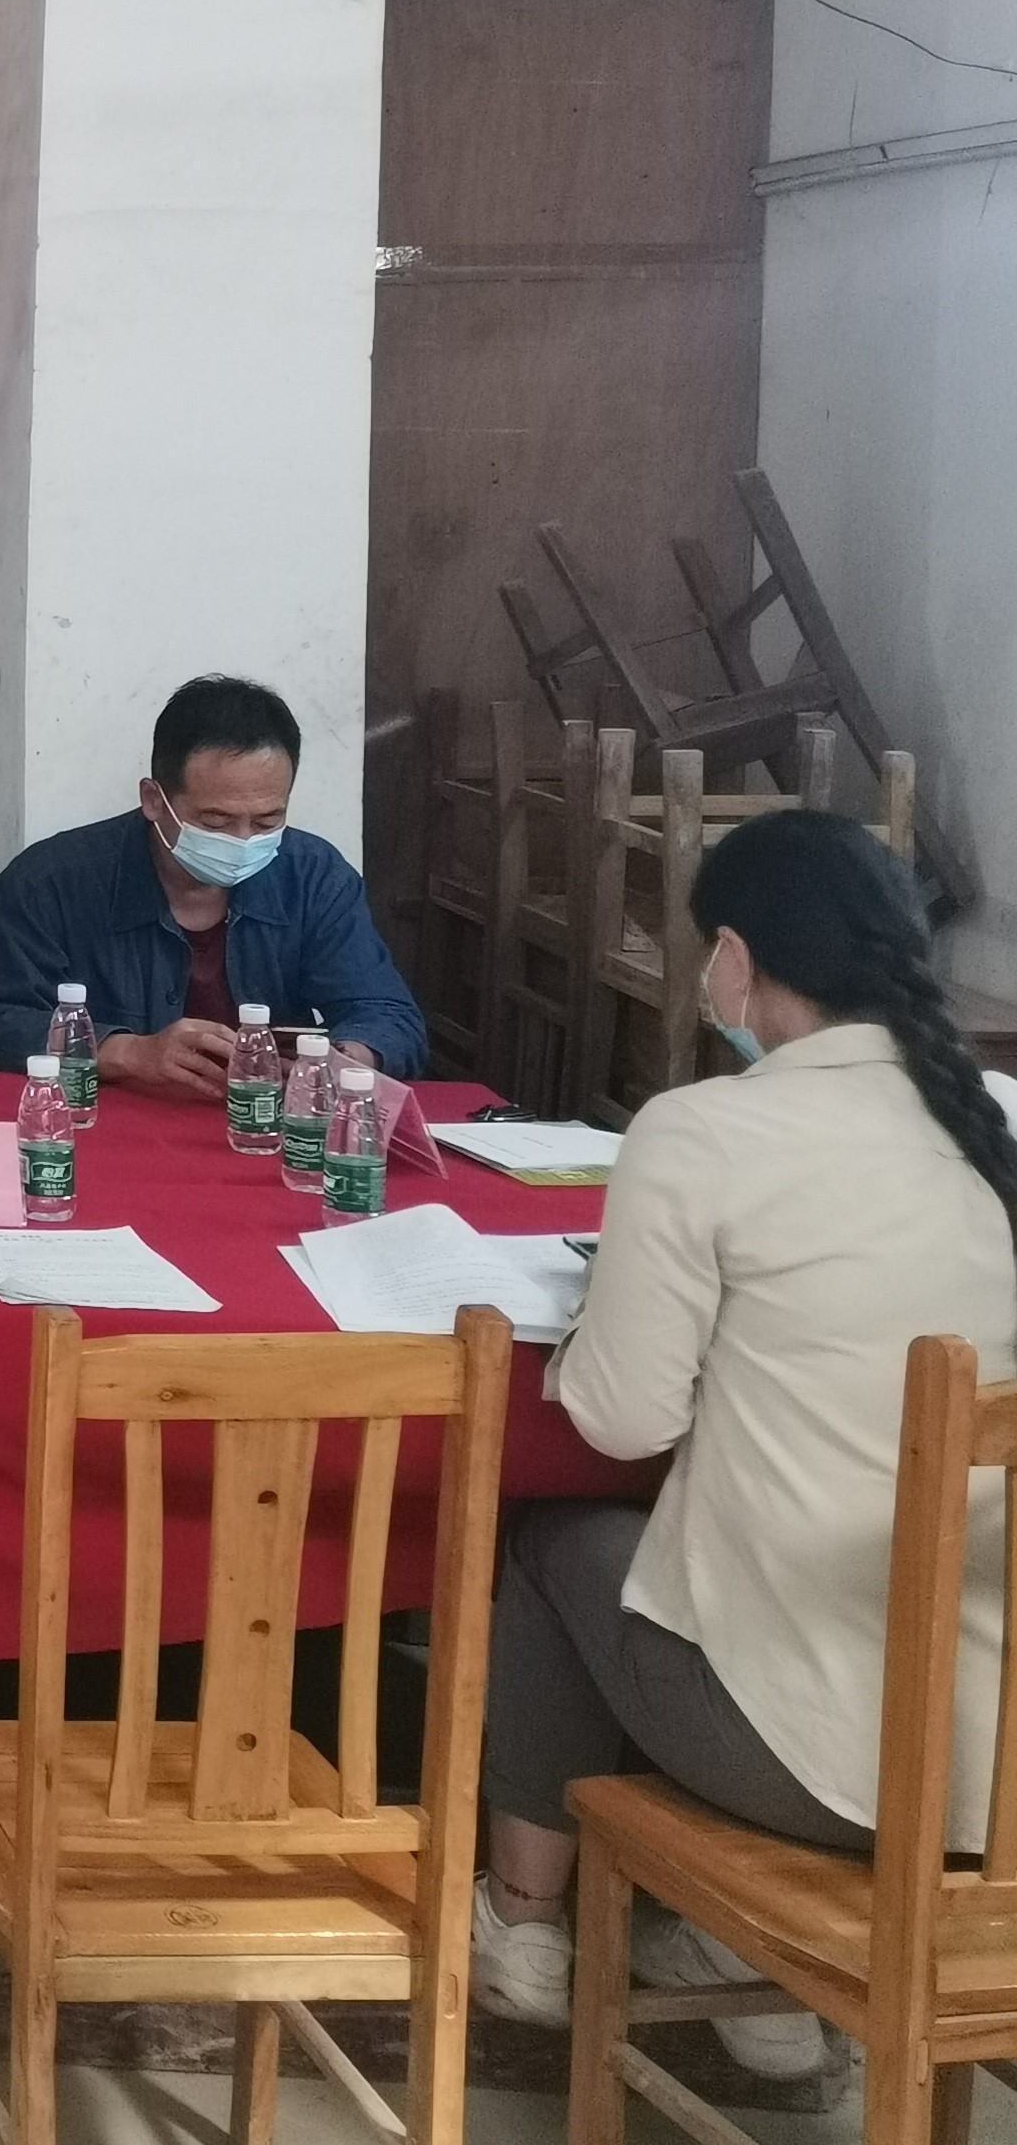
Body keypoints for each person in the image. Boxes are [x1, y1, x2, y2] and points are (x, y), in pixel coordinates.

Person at [468, 810, 1017, 2080]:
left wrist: (597, 1320)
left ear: (731, 957)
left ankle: (524, 1923)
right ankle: (737, 1957)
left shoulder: (701, 1132)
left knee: (555, 1540)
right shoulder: (996, 1112)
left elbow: (623, 1419)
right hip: (997, 1771)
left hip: (824, 1769)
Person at [0, 674, 423, 1085]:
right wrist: (127, 1052)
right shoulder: (50, 882)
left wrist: (345, 1059)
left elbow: (389, 1016)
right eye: (216, 822)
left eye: (267, 821)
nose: (244, 840)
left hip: (265, 1125)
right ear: (153, 800)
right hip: (109, 1123)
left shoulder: (315, 877)